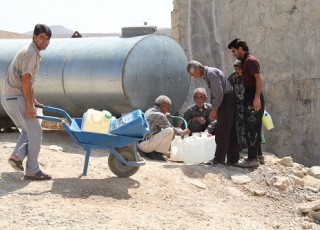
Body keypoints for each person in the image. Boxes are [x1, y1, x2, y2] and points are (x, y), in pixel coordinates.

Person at [1, 24, 52, 180]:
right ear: (34, 37)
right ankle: (32, 170)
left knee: (28, 129)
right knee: (35, 131)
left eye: (47, 39)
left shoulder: (32, 52)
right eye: (42, 37)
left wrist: (33, 100)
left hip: (11, 96)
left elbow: (29, 82)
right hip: (15, 96)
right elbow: (25, 79)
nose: (45, 41)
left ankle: (17, 156)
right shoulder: (31, 53)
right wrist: (29, 105)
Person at [187, 60, 239, 166]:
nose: (193, 76)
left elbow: (219, 94)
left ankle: (218, 159)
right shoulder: (208, 74)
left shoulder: (211, 74)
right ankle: (233, 159)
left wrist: (214, 109)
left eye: (193, 74)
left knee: (222, 130)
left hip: (225, 100)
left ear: (197, 69)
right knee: (230, 130)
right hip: (226, 99)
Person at [228, 38, 265, 168]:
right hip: (249, 94)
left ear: (240, 49)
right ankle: (258, 156)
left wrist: (257, 97)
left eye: (234, 51)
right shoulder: (244, 62)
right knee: (252, 125)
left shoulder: (251, 61)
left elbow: (259, 78)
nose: (233, 54)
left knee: (252, 127)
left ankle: (252, 159)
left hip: (253, 95)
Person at [138, 95, 190, 161]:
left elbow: (157, 120)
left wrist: (164, 116)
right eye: (167, 108)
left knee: (164, 130)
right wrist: (182, 132)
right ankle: (157, 154)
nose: (168, 110)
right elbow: (172, 129)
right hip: (146, 145)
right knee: (170, 131)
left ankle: (151, 152)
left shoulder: (150, 110)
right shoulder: (160, 115)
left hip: (141, 143)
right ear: (163, 105)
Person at [228, 60, 246, 150]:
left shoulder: (248, 76)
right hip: (237, 104)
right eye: (236, 68)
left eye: (239, 68)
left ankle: (246, 145)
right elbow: (228, 88)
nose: (238, 70)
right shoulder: (233, 76)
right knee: (237, 124)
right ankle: (238, 144)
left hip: (247, 104)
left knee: (246, 123)